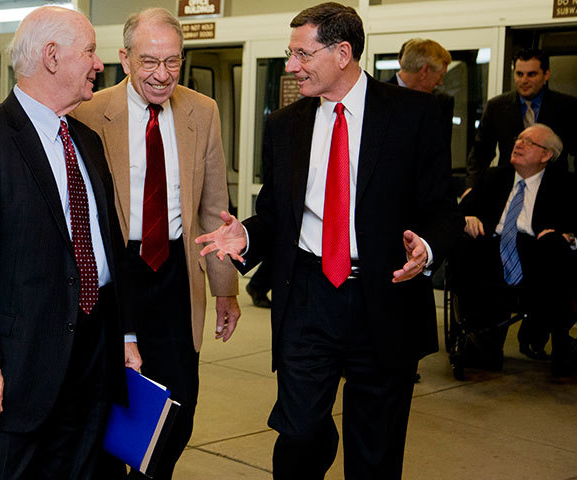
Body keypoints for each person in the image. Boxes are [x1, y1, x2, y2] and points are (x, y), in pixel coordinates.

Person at [195, 3, 462, 478]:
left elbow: (442, 208)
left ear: (342, 52)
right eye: (289, 53)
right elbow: (277, 213)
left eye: (302, 54)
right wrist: (247, 235)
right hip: (309, 296)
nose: (292, 66)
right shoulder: (286, 125)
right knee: (299, 433)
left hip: (386, 295)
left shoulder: (414, 115)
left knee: (375, 448)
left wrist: (427, 245)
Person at [0, 6, 128, 478]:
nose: (99, 65)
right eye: (90, 52)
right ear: (52, 57)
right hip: (14, 372)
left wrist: (126, 336)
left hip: (91, 361)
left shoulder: (87, 140)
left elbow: (106, 248)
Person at [72, 8, 241, 479]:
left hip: (173, 271)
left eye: (173, 62)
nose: (162, 75)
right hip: (112, 272)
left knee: (177, 403)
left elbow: (213, 208)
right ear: (123, 58)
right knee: (109, 398)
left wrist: (225, 287)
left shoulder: (201, 111)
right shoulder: (89, 112)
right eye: (149, 62)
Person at [457, 124, 577, 375]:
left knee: (555, 248)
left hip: (538, 255)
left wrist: (567, 237)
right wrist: (467, 217)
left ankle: (554, 338)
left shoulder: (565, 185)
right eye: (519, 139)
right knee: (466, 245)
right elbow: (458, 213)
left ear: (547, 155)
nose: (519, 144)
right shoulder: (492, 177)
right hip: (492, 250)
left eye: (529, 142)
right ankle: (480, 338)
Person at [466, 48, 577, 188]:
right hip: (507, 187)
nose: (524, 80)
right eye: (519, 74)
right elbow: (480, 153)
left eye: (531, 74)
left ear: (546, 74)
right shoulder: (497, 106)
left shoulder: (568, 106)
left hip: (554, 189)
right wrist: (472, 189)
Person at [388, 38, 454, 151]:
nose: (440, 82)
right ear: (425, 70)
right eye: (440, 75)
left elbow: (440, 152)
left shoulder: (440, 102)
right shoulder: (376, 98)